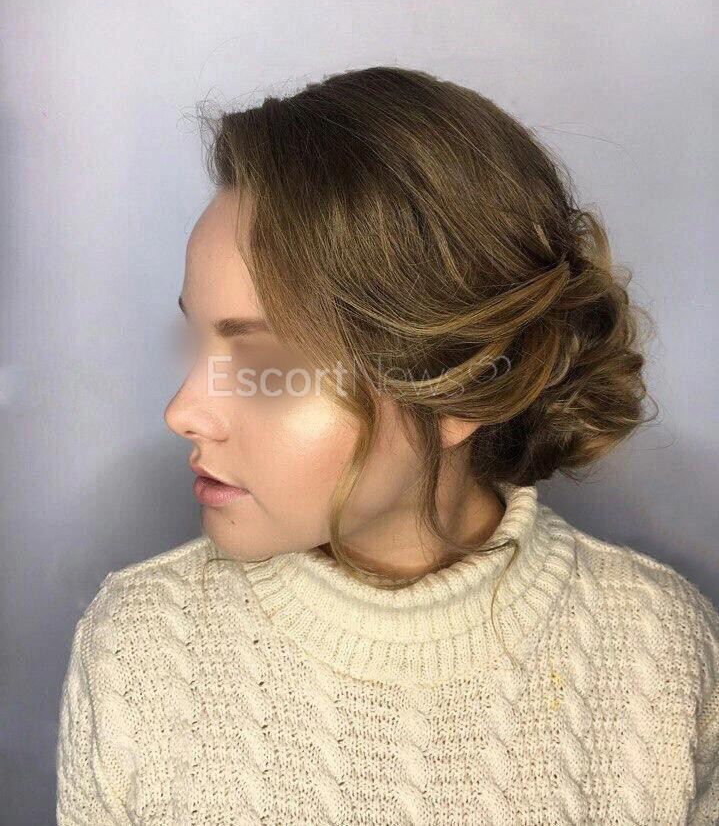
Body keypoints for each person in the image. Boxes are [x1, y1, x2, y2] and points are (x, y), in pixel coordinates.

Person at [56, 66, 719, 825]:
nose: (182, 412)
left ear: (464, 389)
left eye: (268, 365)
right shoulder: (140, 645)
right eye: (196, 340)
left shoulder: (656, 655)